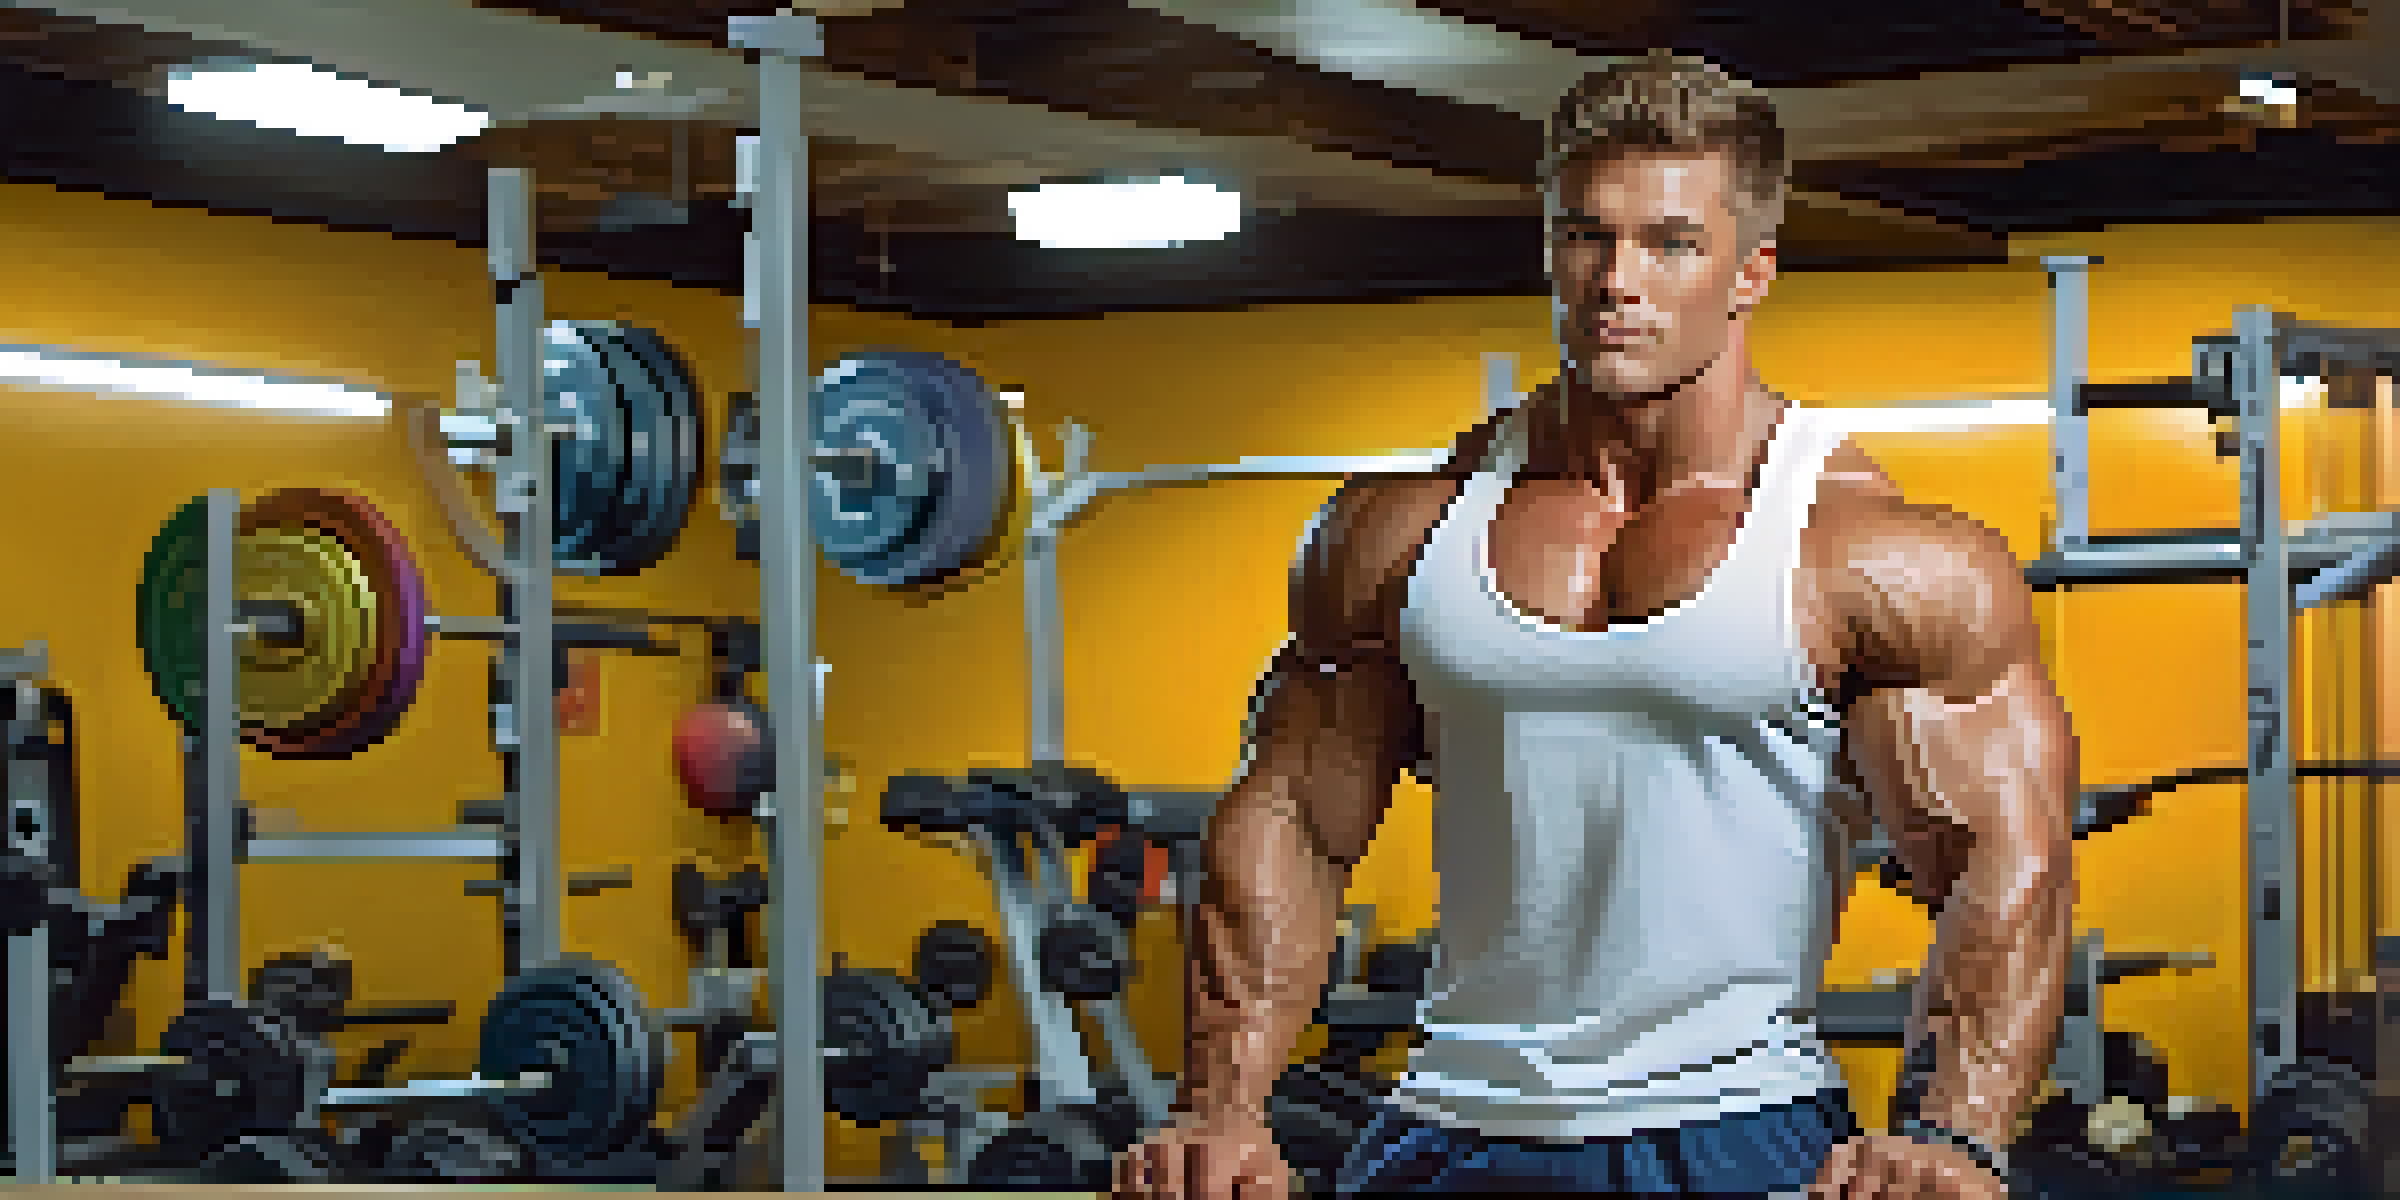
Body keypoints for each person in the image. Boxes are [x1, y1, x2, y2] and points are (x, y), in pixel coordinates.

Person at [1114, 50, 2077, 1199]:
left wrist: (1954, 1135)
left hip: (1732, 1129)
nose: (1618, 279)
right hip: (1443, 1126)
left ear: (1749, 271)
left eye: (1671, 243)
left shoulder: (1872, 556)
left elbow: (2003, 859)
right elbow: (1291, 820)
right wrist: (1221, 1108)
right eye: (1586, 236)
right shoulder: (1397, 536)